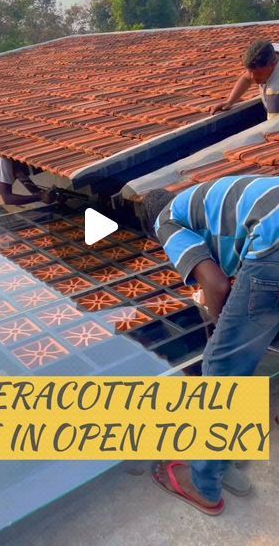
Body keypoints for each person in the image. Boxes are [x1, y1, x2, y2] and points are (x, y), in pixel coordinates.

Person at [140, 176, 279, 514]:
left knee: (222, 366)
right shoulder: (208, 200)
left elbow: (216, 285)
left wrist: (223, 333)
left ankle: (204, 483)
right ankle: (229, 448)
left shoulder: (166, 218)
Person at [211, 40, 279, 119]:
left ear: (272, 64)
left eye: (258, 73)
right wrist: (229, 102)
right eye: (250, 72)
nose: (253, 77)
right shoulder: (269, 53)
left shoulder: (275, 88)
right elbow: (246, 79)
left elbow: (273, 126)